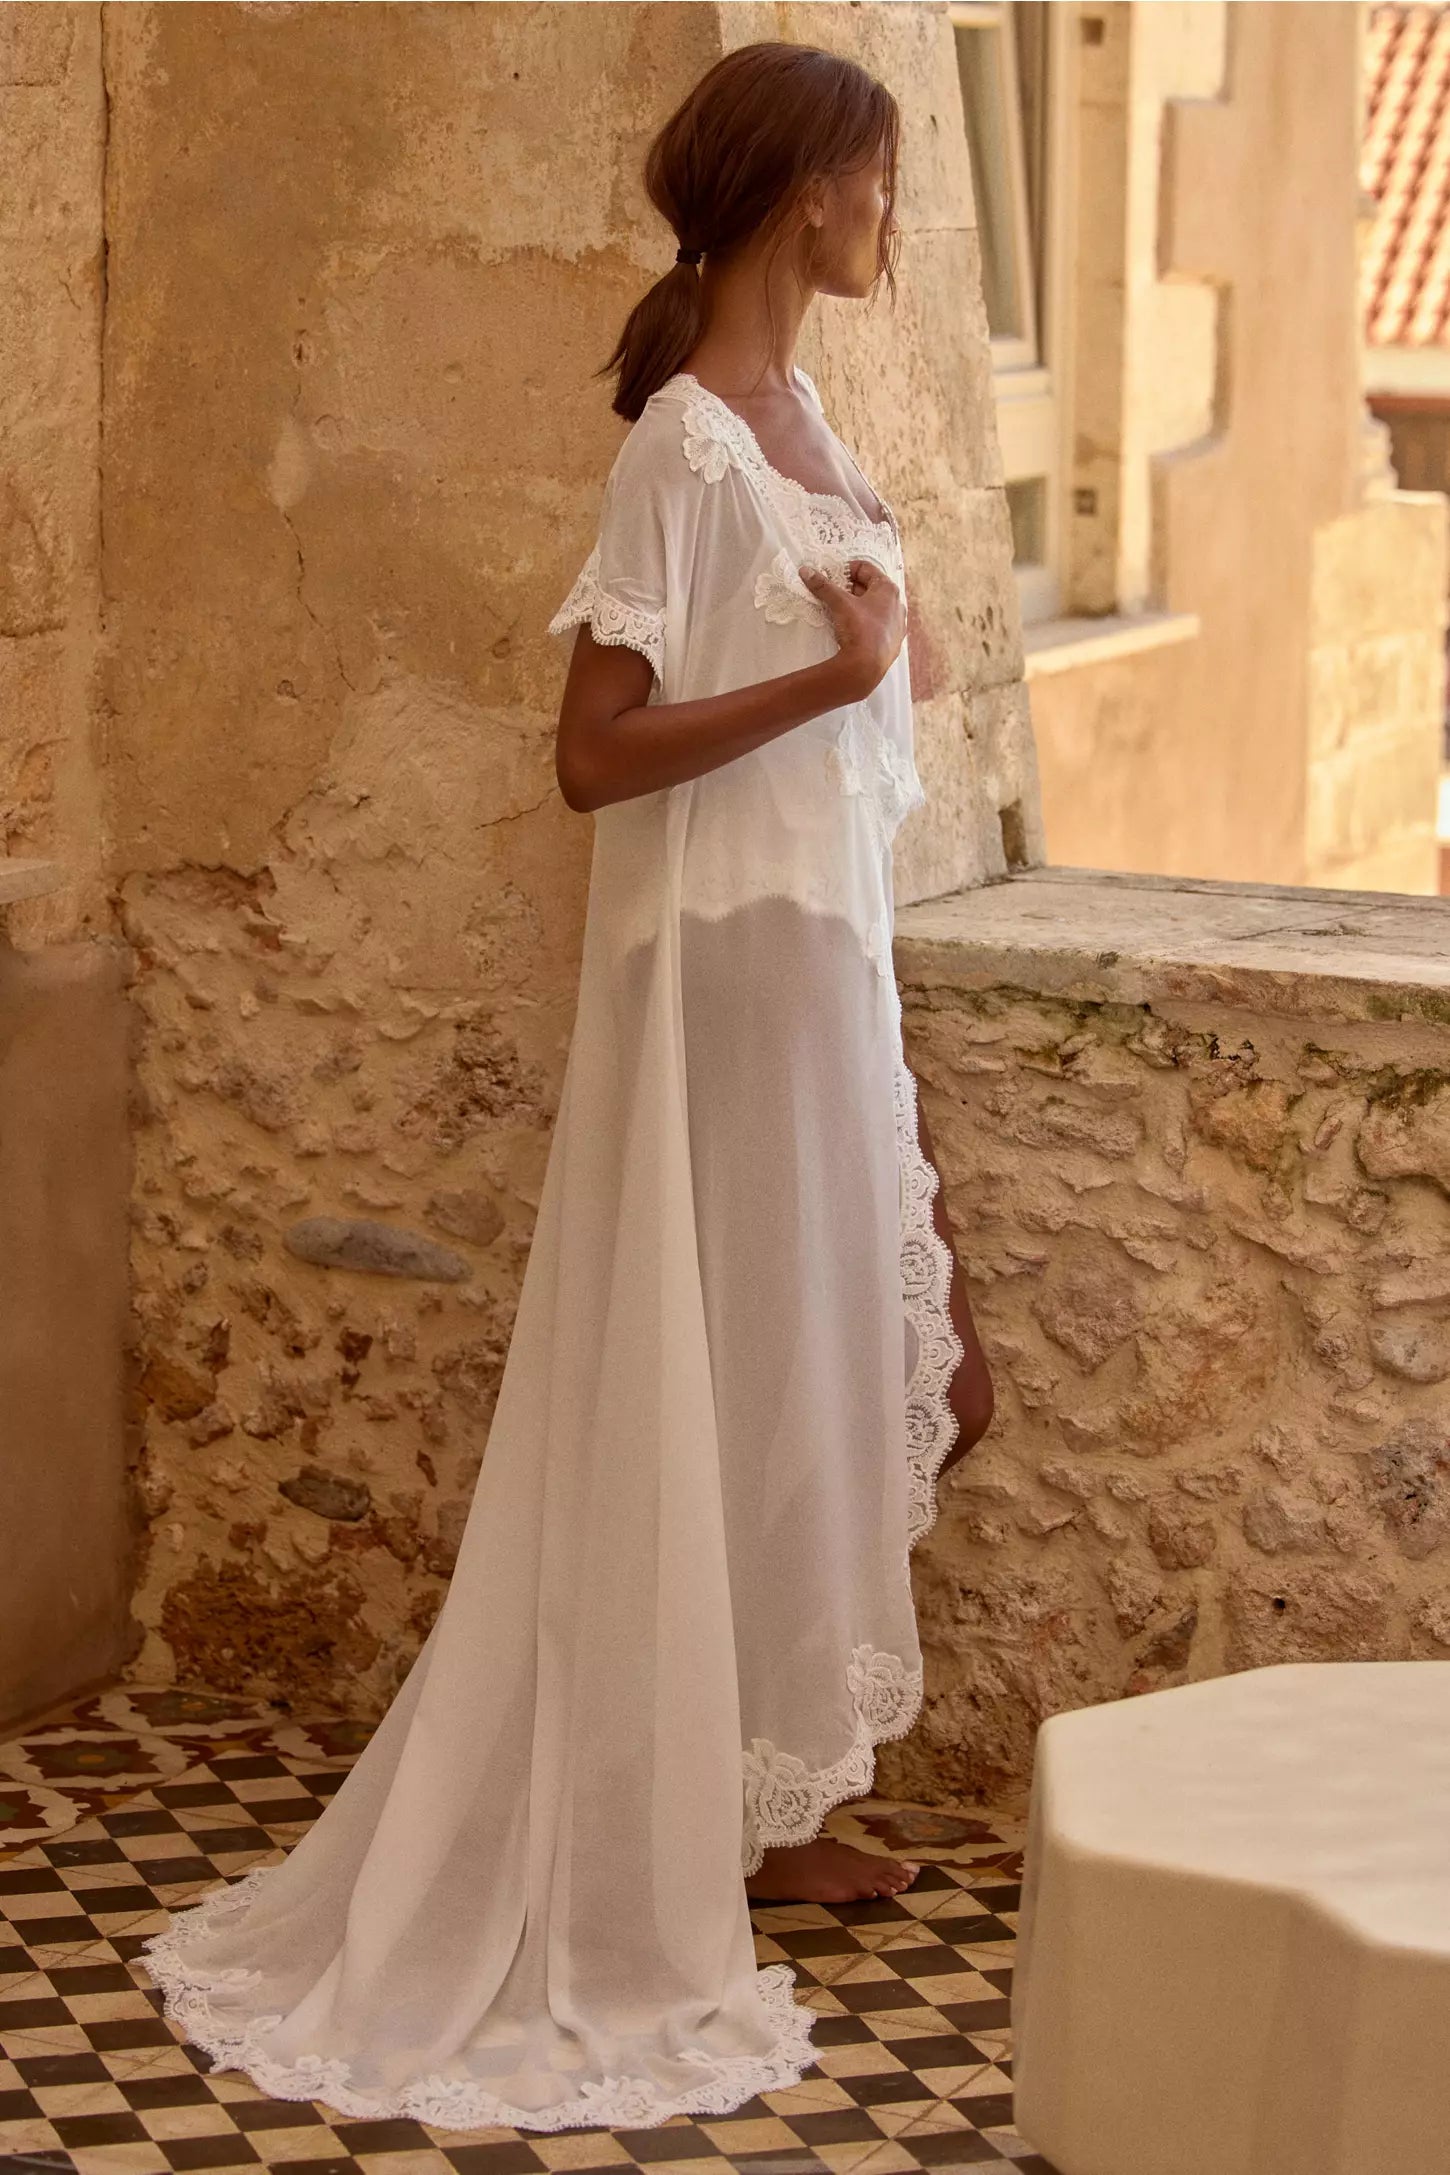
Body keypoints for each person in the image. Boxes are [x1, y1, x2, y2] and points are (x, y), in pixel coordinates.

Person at [137, 38, 995, 2136]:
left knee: (827, 1382)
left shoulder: (809, 420)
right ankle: (674, 1836)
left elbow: (860, 711)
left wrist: (877, 666)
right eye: (879, 182)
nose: (889, 219)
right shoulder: (682, 443)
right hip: (722, 992)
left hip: (818, 972)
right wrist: (832, 674)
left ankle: (763, 1801)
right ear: (809, 191)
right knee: (721, 1384)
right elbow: (592, 754)